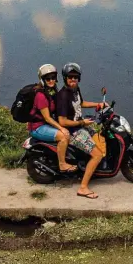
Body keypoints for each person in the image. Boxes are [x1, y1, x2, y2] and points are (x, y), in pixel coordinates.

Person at [57, 63, 105, 199]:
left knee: (99, 136)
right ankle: (83, 188)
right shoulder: (63, 96)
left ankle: (90, 167)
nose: (73, 80)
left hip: (80, 126)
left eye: (76, 77)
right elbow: (62, 121)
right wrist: (81, 122)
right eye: (70, 77)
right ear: (65, 78)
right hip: (73, 131)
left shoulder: (75, 89)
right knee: (97, 155)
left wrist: (98, 104)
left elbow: (81, 103)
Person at [28, 64, 76, 173]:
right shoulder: (40, 96)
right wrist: (61, 128)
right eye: (48, 79)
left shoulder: (52, 90)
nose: (51, 81)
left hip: (45, 124)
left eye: (53, 78)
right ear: (42, 80)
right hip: (37, 127)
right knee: (64, 136)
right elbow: (47, 118)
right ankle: (62, 164)